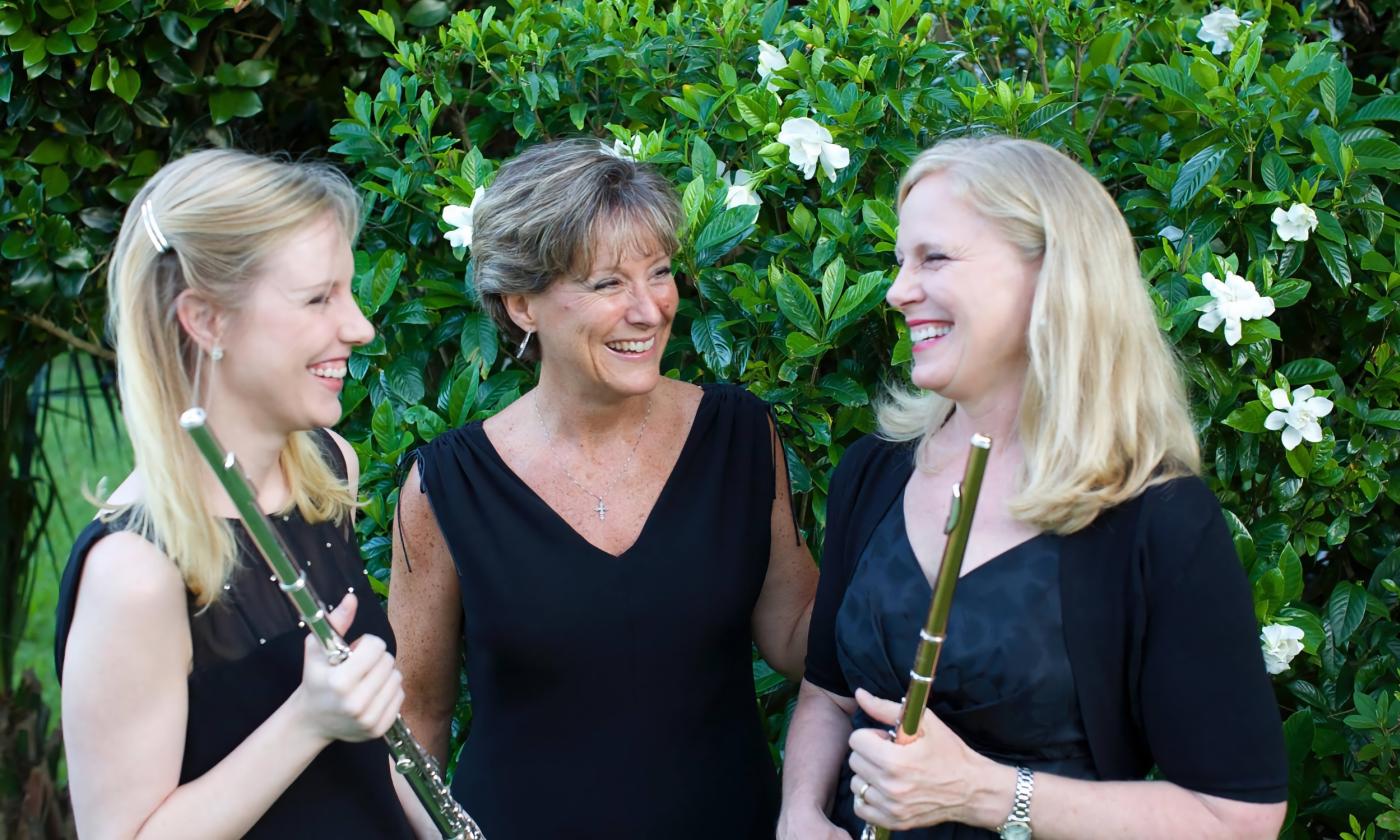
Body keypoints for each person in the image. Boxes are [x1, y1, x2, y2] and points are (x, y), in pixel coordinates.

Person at [778, 136, 1289, 840]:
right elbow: (829, 696)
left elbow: (1239, 819)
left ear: (1052, 272)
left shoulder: (1158, 517)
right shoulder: (876, 469)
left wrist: (981, 793)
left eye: (934, 258)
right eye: (900, 262)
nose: (897, 291)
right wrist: (800, 812)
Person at [390, 137, 818, 839]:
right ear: (522, 303)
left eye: (659, 273)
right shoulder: (446, 486)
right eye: (608, 284)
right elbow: (418, 720)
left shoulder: (738, 436)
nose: (650, 310)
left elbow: (801, 637)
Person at [54, 149, 435, 838]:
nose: (359, 327)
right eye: (319, 298)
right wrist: (307, 719)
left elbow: (373, 765)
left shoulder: (326, 474)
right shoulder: (136, 574)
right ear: (207, 320)